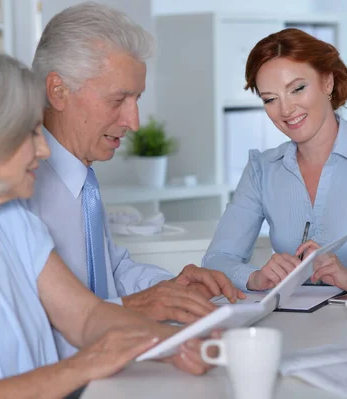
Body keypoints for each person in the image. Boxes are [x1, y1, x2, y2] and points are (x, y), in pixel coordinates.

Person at [0, 51, 211, 399]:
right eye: (31, 134)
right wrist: (80, 367)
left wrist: (180, 344)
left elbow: (86, 317)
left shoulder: (13, 222)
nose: (45, 150)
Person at [26, 2, 243, 359]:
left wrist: (169, 288)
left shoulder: (84, 180)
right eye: (119, 99)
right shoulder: (19, 186)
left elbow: (110, 268)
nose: (134, 120)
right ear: (58, 91)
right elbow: (32, 329)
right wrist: (134, 307)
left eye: (136, 98)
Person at [203, 28, 347, 292]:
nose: (286, 110)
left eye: (297, 89)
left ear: (327, 82)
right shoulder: (262, 170)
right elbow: (216, 261)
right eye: (270, 99)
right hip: (291, 328)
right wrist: (256, 277)